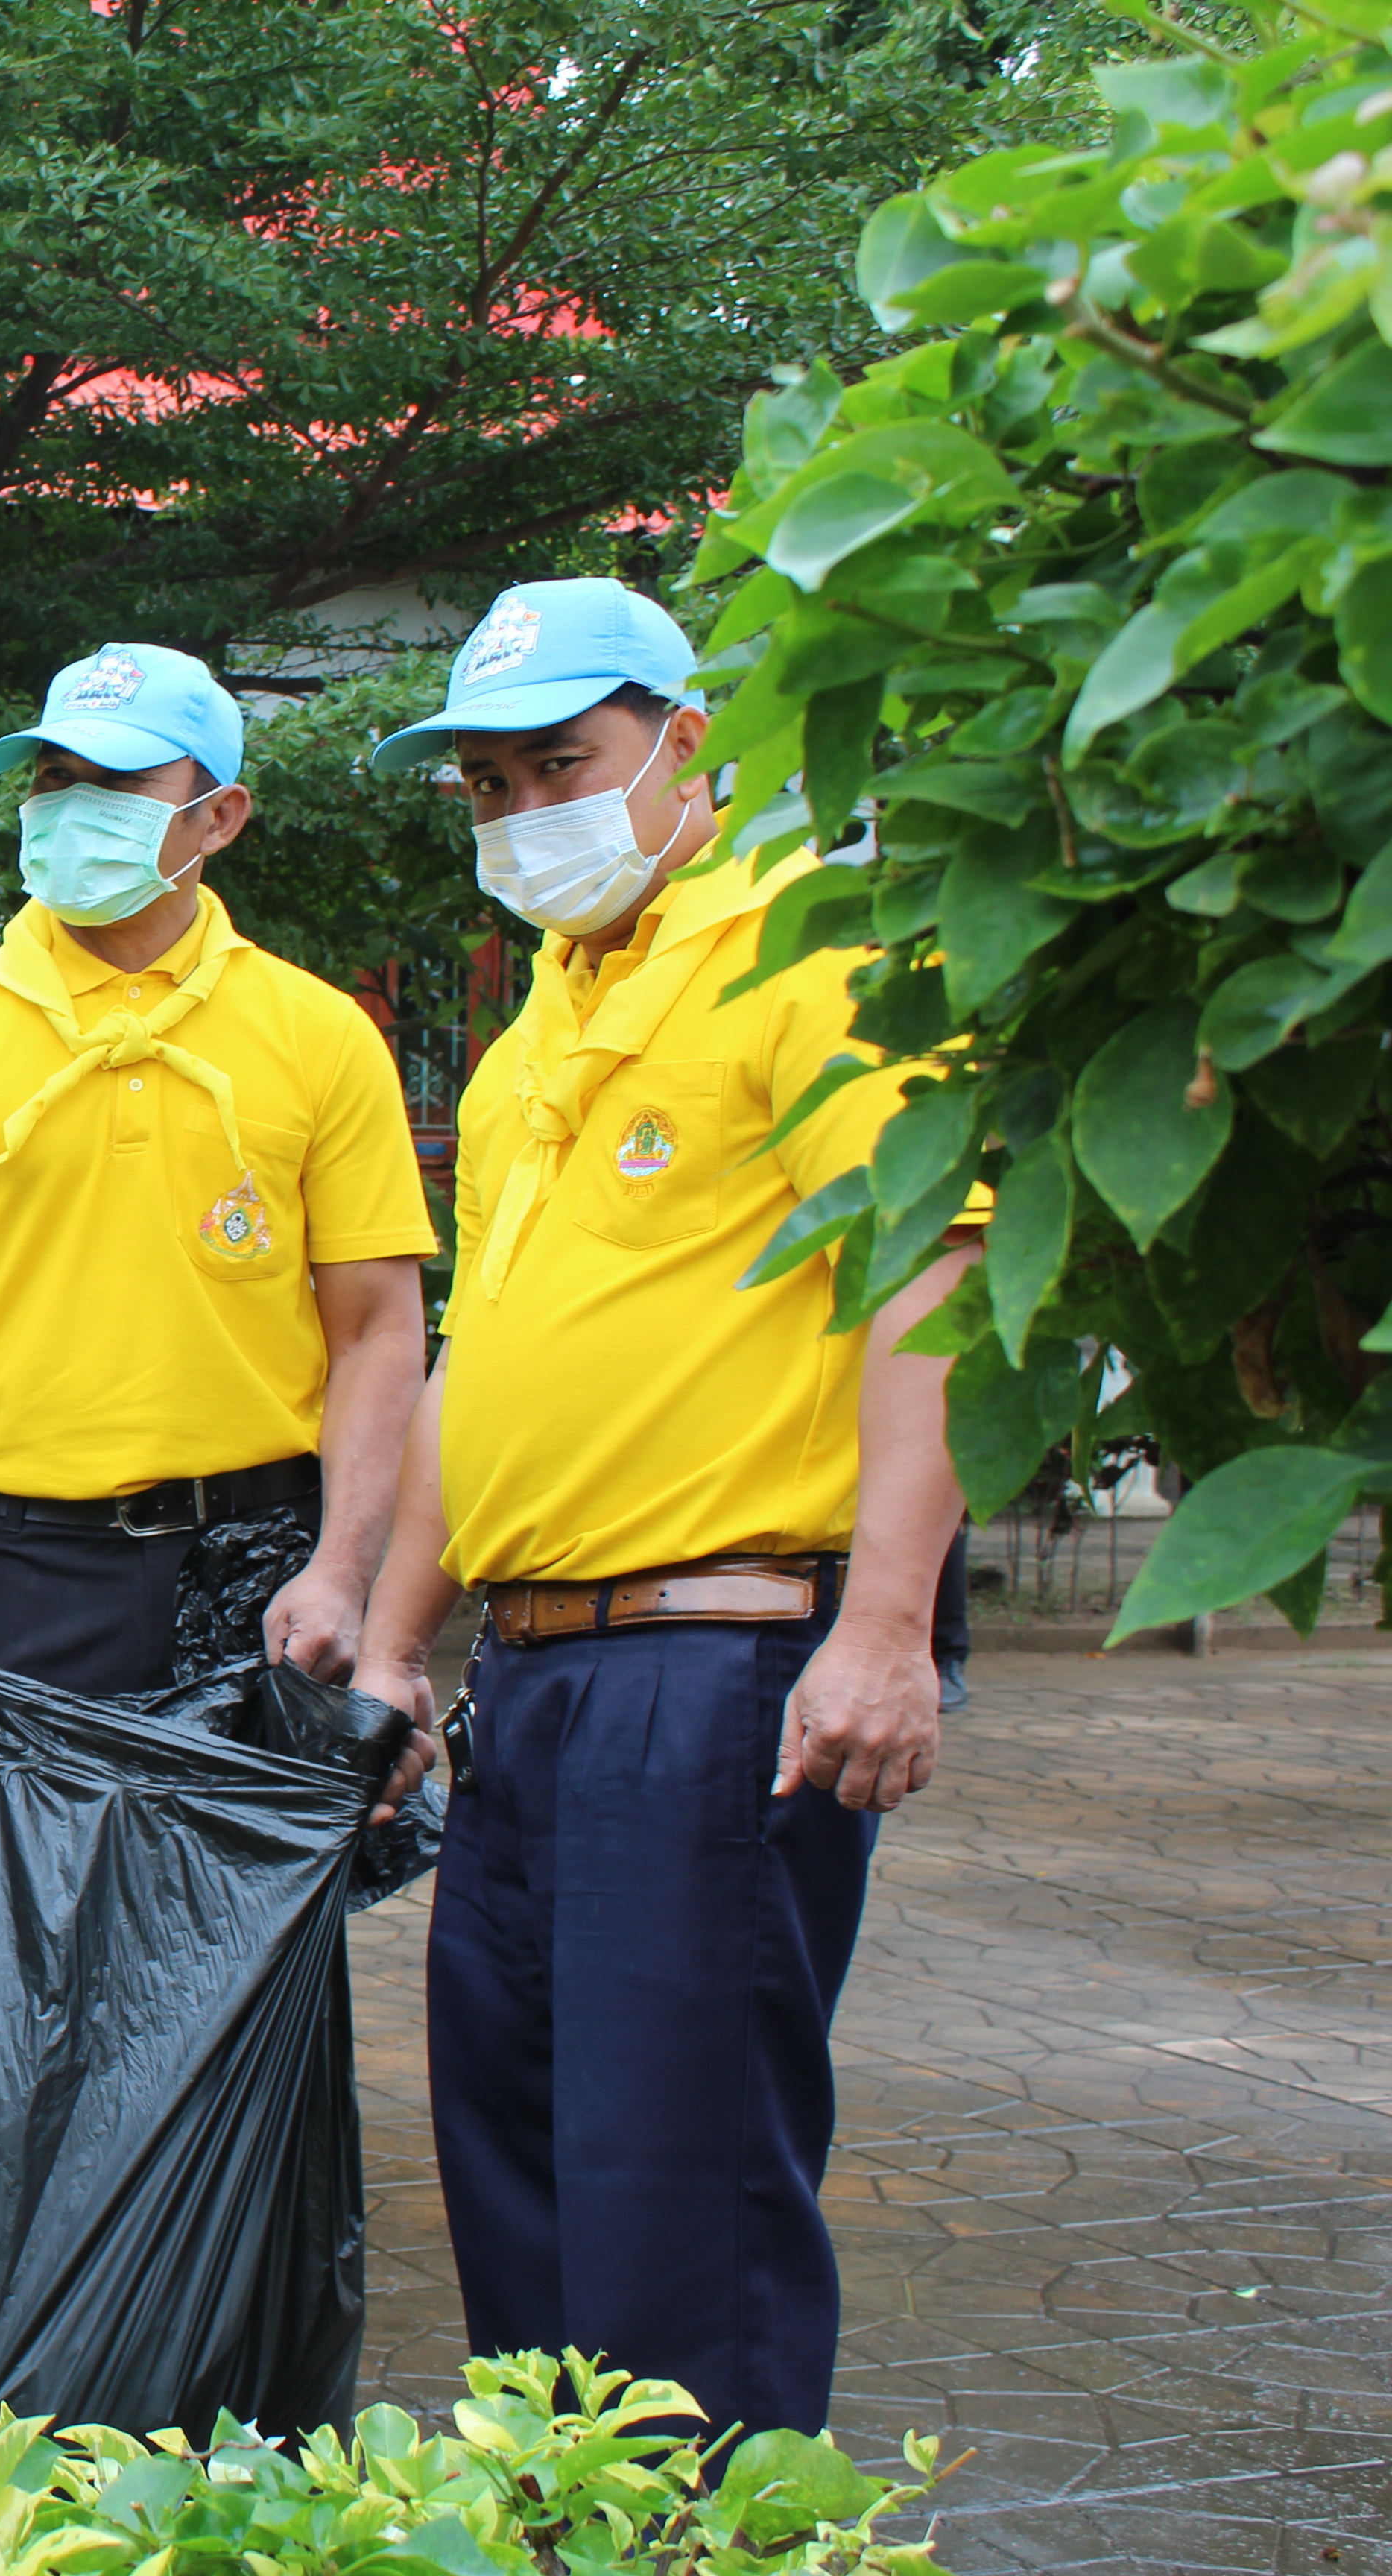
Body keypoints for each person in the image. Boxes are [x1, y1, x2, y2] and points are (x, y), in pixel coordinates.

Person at [347, 577, 975, 2438]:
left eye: (562, 761)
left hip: (720, 1660)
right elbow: (493, 1353)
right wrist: (392, 1643)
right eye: (482, 784)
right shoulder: (546, 1012)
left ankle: (709, 2550)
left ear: (683, 745)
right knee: (519, 2173)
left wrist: (881, 1624)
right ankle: (563, 2542)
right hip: (534, 1678)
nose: (519, 810)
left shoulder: (810, 947)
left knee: (673, 2198)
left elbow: (936, 1266)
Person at [0, 642, 435, 1693]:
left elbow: (375, 1329)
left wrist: (343, 1568)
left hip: (258, 1576)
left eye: (119, 781)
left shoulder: (321, 1034)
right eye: (55, 780)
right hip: (11, 1572)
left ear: (219, 818)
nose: (73, 807)